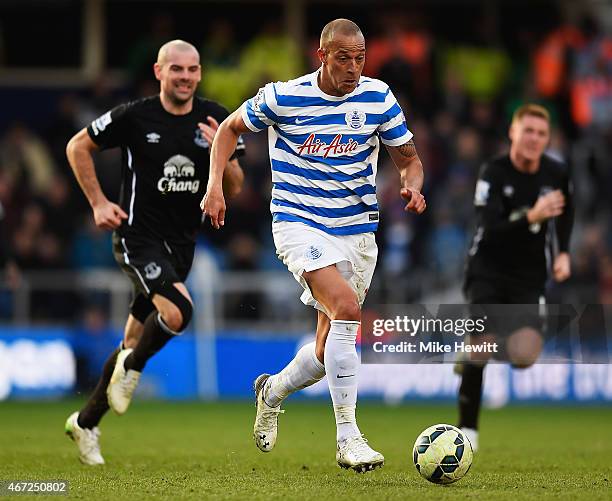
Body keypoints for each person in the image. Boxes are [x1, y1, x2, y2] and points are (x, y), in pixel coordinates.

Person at [202, 19, 426, 473]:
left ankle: (273, 391)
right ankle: (349, 437)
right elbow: (228, 129)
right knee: (346, 307)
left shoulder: (379, 97)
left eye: (360, 57)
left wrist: (412, 185)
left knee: (327, 353)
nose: (353, 67)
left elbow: (410, 160)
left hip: (357, 232)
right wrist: (215, 187)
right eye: (343, 57)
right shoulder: (283, 96)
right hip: (299, 223)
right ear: (320, 55)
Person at [64, 40, 244, 465]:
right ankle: (132, 370)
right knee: (180, 309)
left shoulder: (216, 117)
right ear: (159, 72)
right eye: (176, 69)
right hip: (137, 237)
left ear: (200, 73)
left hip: (182, 245)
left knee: (130, 338)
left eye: (193, 69)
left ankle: (85, 423)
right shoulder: (134, 115)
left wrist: (224, 152)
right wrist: (97, 202)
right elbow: (77, 146)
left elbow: (234, 189)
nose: (185, 77)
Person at [458, 103, 574, 451]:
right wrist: (531, 216)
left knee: (524, 356)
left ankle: (478, 349)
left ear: (547, 138)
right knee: (481, 347)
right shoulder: (493, 172)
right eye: (528, 131)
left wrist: (564, 251)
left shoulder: (556, 173)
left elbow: (567, 211)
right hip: (488, 271)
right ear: (513, 132)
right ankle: (468, 432)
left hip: (529, 276)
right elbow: (488, 228)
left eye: (541, 133)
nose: (534, 139)